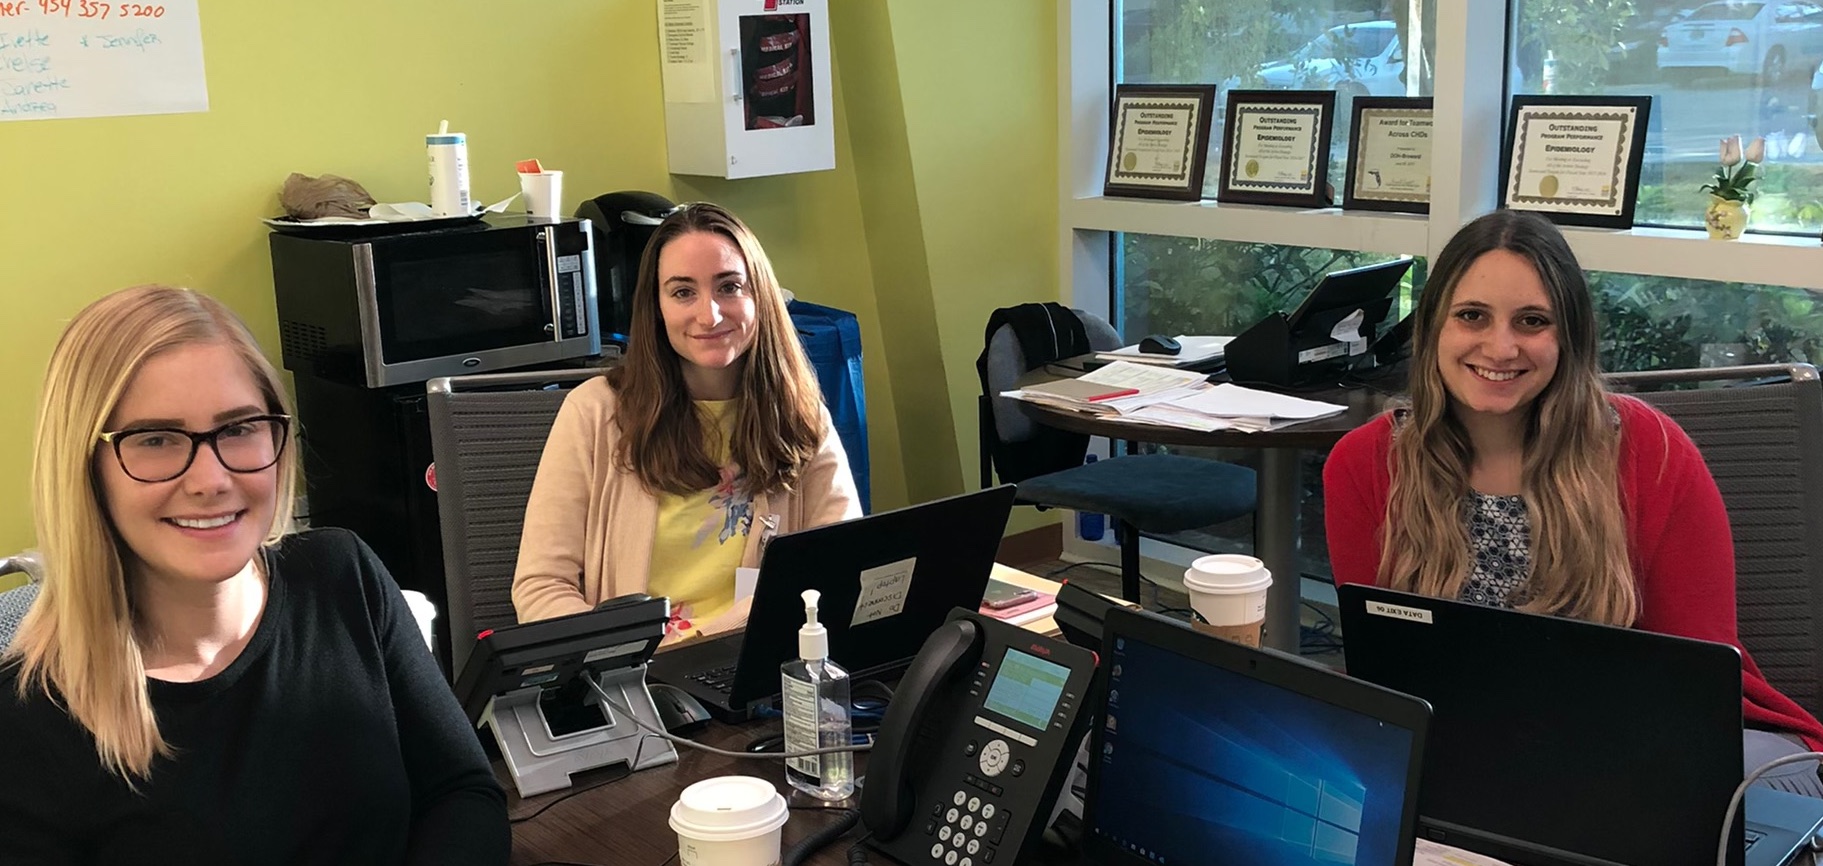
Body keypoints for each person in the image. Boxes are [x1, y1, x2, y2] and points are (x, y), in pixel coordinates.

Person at [0, 286, 509, 864]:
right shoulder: (25, 720)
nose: (211, 479)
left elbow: (461, 792)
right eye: (156, 439)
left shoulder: (343, 577)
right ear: (84, 468)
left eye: (239, 428)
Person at [1323, 209, 1823, 795]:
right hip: (1460, 756)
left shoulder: (1653, 452)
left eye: (1532, 321)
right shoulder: (1365, 465)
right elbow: (1385, 679)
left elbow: (1694, 687)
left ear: (1569, 337)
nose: (1500, 346)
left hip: (1655, 750)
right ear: (1434, 327)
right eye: (1472, 316)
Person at [513, 202, 859, 638]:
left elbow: (839, 565)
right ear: (656, 308)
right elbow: (541, 587)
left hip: (758, 663)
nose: (709, 314)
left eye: (730, 286)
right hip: (634, 677)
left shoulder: (799, 413)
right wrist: (621, 661)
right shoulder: (595, 412)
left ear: (761, 297)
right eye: (682, 292)